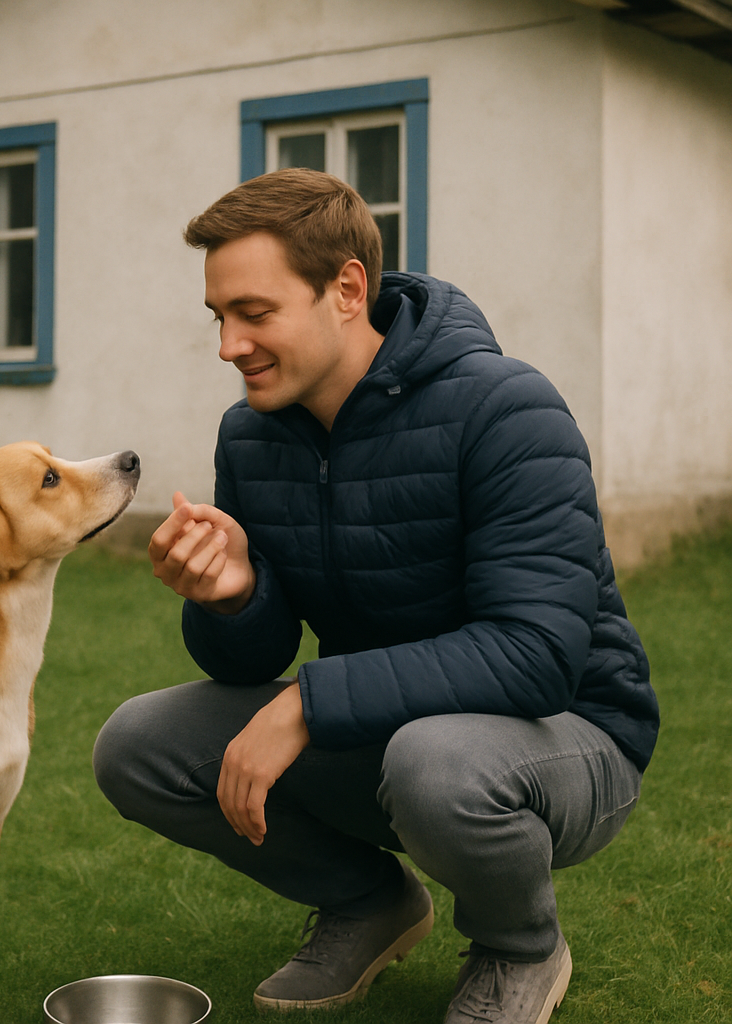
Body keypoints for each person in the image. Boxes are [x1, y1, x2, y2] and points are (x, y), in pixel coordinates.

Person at [93, 168, 658, 1024]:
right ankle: (369, 902)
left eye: (255, 313)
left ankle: (518, 947)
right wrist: (234, 595)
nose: (228, 346)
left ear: (347, 289)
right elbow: (253, 659)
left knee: (436, 763)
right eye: (219, 317)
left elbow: (536, 659)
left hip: (569, 740)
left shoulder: (509, 410)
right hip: (389, 730)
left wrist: (307, 708)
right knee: (137, 744)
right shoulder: (252, 434)